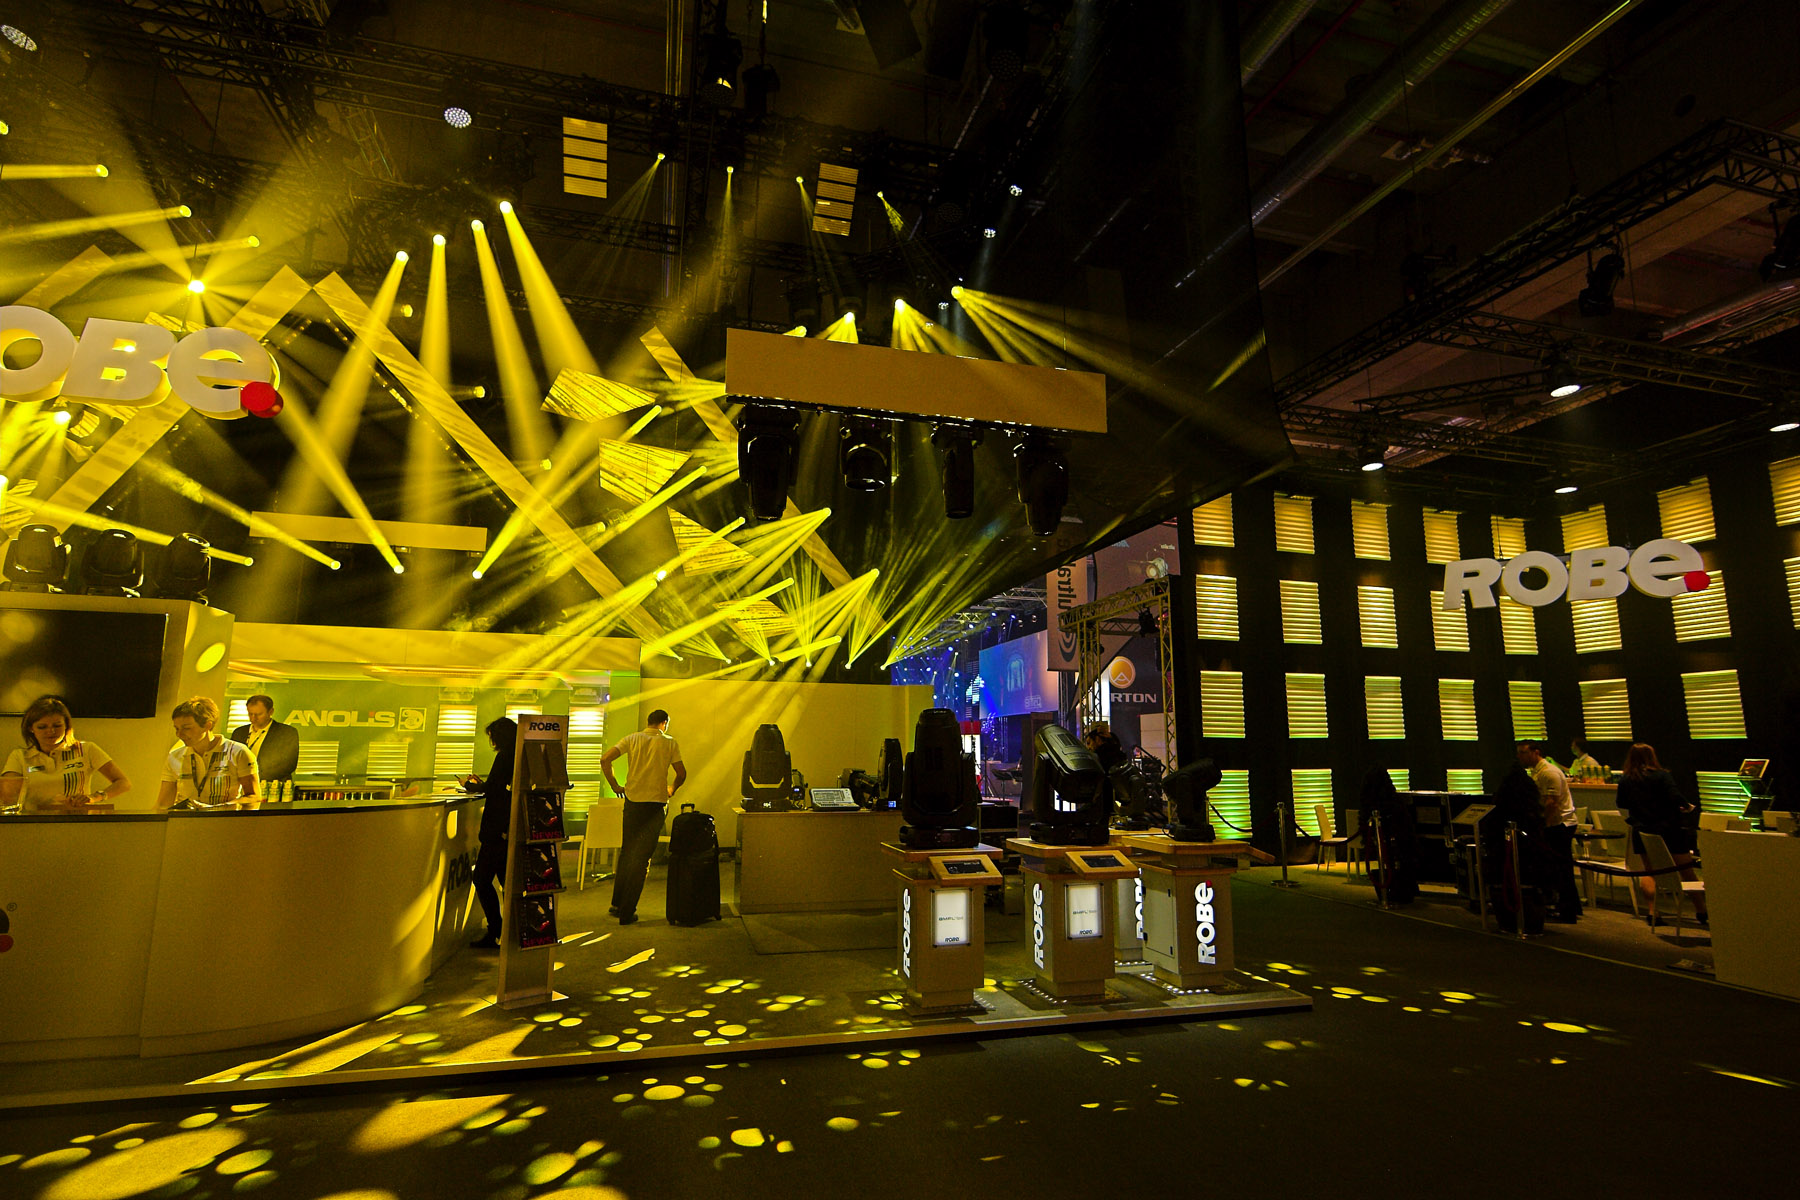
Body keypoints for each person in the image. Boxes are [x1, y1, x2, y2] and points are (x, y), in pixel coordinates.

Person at [601, 709, 687, 925]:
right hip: (656, 805)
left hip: (633, 802)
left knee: (627, 852)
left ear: (649, 722)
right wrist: (672, 789)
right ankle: (627, 912)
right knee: (642, 858)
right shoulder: (669, 743)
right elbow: (681, 773)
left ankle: (617, 904)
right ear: (664, 723)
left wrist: (615, 785)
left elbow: (605, 759)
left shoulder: (632, 739)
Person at [1616, 742, 1707, 924]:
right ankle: (1701, 910)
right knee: (1686, 871)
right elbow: (1674, 796)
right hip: (1669, 829)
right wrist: (1686, 807)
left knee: (1649, 871)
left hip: (1642, 830)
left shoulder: (1625, 779)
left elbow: (1621, 803)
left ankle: (1653, 912)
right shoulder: (1661, 776)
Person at [1, 695, 131, 813]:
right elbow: (8, 796)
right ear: (31, 728)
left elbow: (123, 782)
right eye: (42, 727)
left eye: (57, 725)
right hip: (33, 822)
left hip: (76, 821)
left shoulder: (86, 749)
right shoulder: (19, 756)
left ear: (66, 725)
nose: (51, 731)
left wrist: (94, 797)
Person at [464, 717, 517, 950]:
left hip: (496, 829)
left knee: (482, 879)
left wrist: (471, 786)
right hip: (505, 828)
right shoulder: (517, 754)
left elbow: (493, 788)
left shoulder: (505, 756)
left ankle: (496, 929)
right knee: (506, 881)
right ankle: (508, 931)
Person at [1517, 739, 1580, 923]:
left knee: (1561, 868)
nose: (1520, 756)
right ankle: (1568, 907)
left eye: (1523, 752)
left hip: (1559, 825)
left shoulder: (1549, 772)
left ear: (1536, 752)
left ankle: (1568, 910)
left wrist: (1542, 826)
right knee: (1558, 868)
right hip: (1555, 825)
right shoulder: (1538, 772)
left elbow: (1551, 803)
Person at [157, 697, 259, 809]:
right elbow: (163, 804)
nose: (179, 734)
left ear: (208, 725)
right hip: (185, 819)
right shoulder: (175, 756)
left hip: (223, 818)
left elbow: (254, 797)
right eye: (176, 729)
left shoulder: (238, 752)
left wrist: (217, 808)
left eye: (186, 728)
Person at [1357, 766, 1417, 903]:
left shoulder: (1369, 800)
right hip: (1398, 837)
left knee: (1392, 865)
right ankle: (1401, 891)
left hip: (1388, 837)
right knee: (1400, 864)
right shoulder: (1393, 800)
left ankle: (1391, 893)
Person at [229, 694, 300, 801]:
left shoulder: (286, 732)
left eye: (259, 714)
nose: (253, 718)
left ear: (271, 712)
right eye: (250, 714)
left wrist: (254, 777)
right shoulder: (239, 732)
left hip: (272, 791)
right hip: (241, 789)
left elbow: (289, 764)